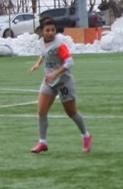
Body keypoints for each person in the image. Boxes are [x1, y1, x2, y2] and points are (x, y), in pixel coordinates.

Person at [28, 17, 91, 154]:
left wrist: (55, 73)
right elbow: (44, 54)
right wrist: (37, 64)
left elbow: (69, 63)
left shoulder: (59, 44)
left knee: (71, 112)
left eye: (53, 30)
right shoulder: (42, 42)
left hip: (63, 82)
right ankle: (42, 142)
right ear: (42, 32)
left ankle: (86, 135)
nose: (50, 33)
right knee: (41, 111)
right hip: (49, 82)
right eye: (47, 30)